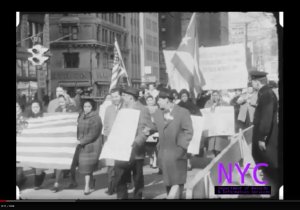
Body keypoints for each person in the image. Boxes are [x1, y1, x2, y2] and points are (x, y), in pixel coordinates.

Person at [150, 88, 193, 198]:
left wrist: (181, 148)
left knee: (178, 183)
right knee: (168, 183)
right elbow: (154, 127)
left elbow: (188, 131)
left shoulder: (183, 112)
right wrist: (148, 130)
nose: (157, 102)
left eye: (159, 100)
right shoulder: (157, 113)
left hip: (177, 152)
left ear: (167, 100)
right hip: (164, 154)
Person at [114, 86, 153, 199]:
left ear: (131, 98)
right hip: (122, 151)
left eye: (124, 96)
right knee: (120, 177)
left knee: (138, 178)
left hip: (136, 151)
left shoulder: (143, 109)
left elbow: (148, 129)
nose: (122, 98)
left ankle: (137, 197)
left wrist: (137, 141)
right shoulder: (122, 108)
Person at [250, 70, 280, 198]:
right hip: (267, 138)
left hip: (267, 140)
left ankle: (273, 194)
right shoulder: (266, 93)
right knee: (268, 166)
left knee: (269, 166)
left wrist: (262, 137)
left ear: (257, 82)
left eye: (252, 82)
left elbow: (266, 117)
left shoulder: (266, 94)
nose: (252, 84)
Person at [51, 95, 77, 192]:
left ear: (67, 101)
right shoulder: (57, 110)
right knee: (60, 161)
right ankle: (56, 183)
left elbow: (76, 121)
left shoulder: (73, 109)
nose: (61, 103)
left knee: (71, 163)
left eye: (62, 101)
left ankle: (73, 181)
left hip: (70, 139)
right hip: (60, 139)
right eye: (59, 102)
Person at [77, 99, 103, 195]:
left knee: (87, 167)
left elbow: (94, 133)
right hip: (82, 145)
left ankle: (86, 187)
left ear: (92, 107)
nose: (86, 108)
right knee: (87, 167)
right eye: (85, 106)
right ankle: (91, 182)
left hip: (92, 145)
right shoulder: (81, 116)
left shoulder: (96, 118)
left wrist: (81, 141)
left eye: (88, 106)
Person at [102, 88, 123, 195]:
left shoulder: (126, 108)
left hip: (122, 142)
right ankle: (110, 187)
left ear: (121, 96)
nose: (114, 99)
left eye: (116, 96)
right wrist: (106, 139)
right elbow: (105, 125)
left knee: (120, 167)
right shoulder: (108, 109)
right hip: (110, 142)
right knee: (110, 166)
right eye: (113, 97)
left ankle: (119, 186)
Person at [26, 100, 47, 190]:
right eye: (33, 107)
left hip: (41, 145)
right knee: (33, 166)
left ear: (40, 107)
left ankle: (37, 184)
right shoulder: (28, 118)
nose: (35, 108)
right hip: (31, 145)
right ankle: (41, 175)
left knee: (38, 166)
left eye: (37, 107)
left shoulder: (45, 117)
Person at [204, 90, 230, 157]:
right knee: (213, 146)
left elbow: (228, 110)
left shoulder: (224, 103)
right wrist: (212, 107)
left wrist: (220, 105)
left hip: (221, 129)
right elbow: (205, 111)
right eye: (213, 95)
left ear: (219, 96)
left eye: (216, 95)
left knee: (220, 146)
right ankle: (216, 156)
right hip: (212, 129)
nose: (215, 97)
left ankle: (220, 160)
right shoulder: (208, 103)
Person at [145, 95, 159, 169]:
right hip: (147, 128)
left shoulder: (157, 108)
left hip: (155, 128)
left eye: (151, 100)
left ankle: (155, 161)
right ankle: (151, 158)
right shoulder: (144, 108)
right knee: (148, 146)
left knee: (155, 145)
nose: (150, 101)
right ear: (146, 101)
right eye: (148, 100)